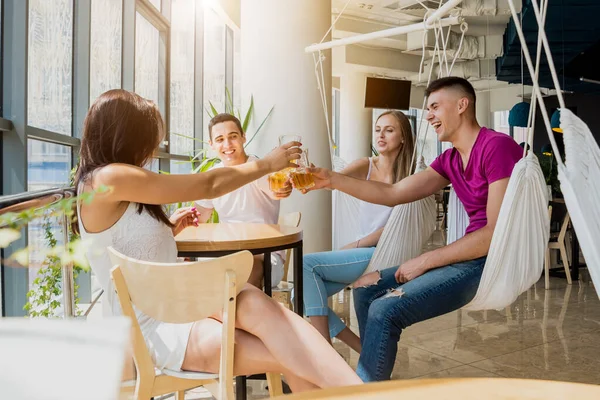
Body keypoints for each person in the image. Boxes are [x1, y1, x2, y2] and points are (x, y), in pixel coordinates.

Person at [74, 89, 362, 392]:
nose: (154, 148)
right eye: (149, 137)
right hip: (156, 331)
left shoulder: (115, 182)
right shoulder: (106, 179)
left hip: (178, 303)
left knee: (278, 321)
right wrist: (266, 164)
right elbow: (209, 184)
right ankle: (364, 394)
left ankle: (361, 393)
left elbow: (124, 248)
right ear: (128, 136)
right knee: (287, 346)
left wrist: (167, 230)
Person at [299, 77, 523, 382]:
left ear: (461, 105)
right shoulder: (450, 159)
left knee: (384, 311)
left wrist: (424, 261)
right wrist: (330, 179)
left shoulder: (496, 147)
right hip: (466, 257)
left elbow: (494, 235)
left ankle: (365, 388)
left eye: (434, 106)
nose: (428, 115)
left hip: (487, 262)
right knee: (364, 289)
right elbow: (393, 193)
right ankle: (370, 380)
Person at [302, 111, 415, 354]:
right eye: (377, 129)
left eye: (389, 129)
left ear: (403, 136)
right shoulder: (366, 165)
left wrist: (355, 245)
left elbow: (397, 227)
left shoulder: (412, 175)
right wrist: (310, 177)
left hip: (383, 253)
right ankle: (360, 347)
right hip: (364, 253)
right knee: (300, 291)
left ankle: (324, 357)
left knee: (306, 265)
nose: (381, 135)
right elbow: (333, 179)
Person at [194, 113, 291, 288]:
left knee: (246, 265)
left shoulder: (260, 169)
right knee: (198, 268)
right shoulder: (212, 177)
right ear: (212, 144)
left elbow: (275, 189)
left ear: (243, 137)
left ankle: (240, 314)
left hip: (265, 256)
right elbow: (197, 219)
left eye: (233, 137)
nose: (227, 145)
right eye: (220, 139)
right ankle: (220, 314)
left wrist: (282, 188)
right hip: (228, 254)